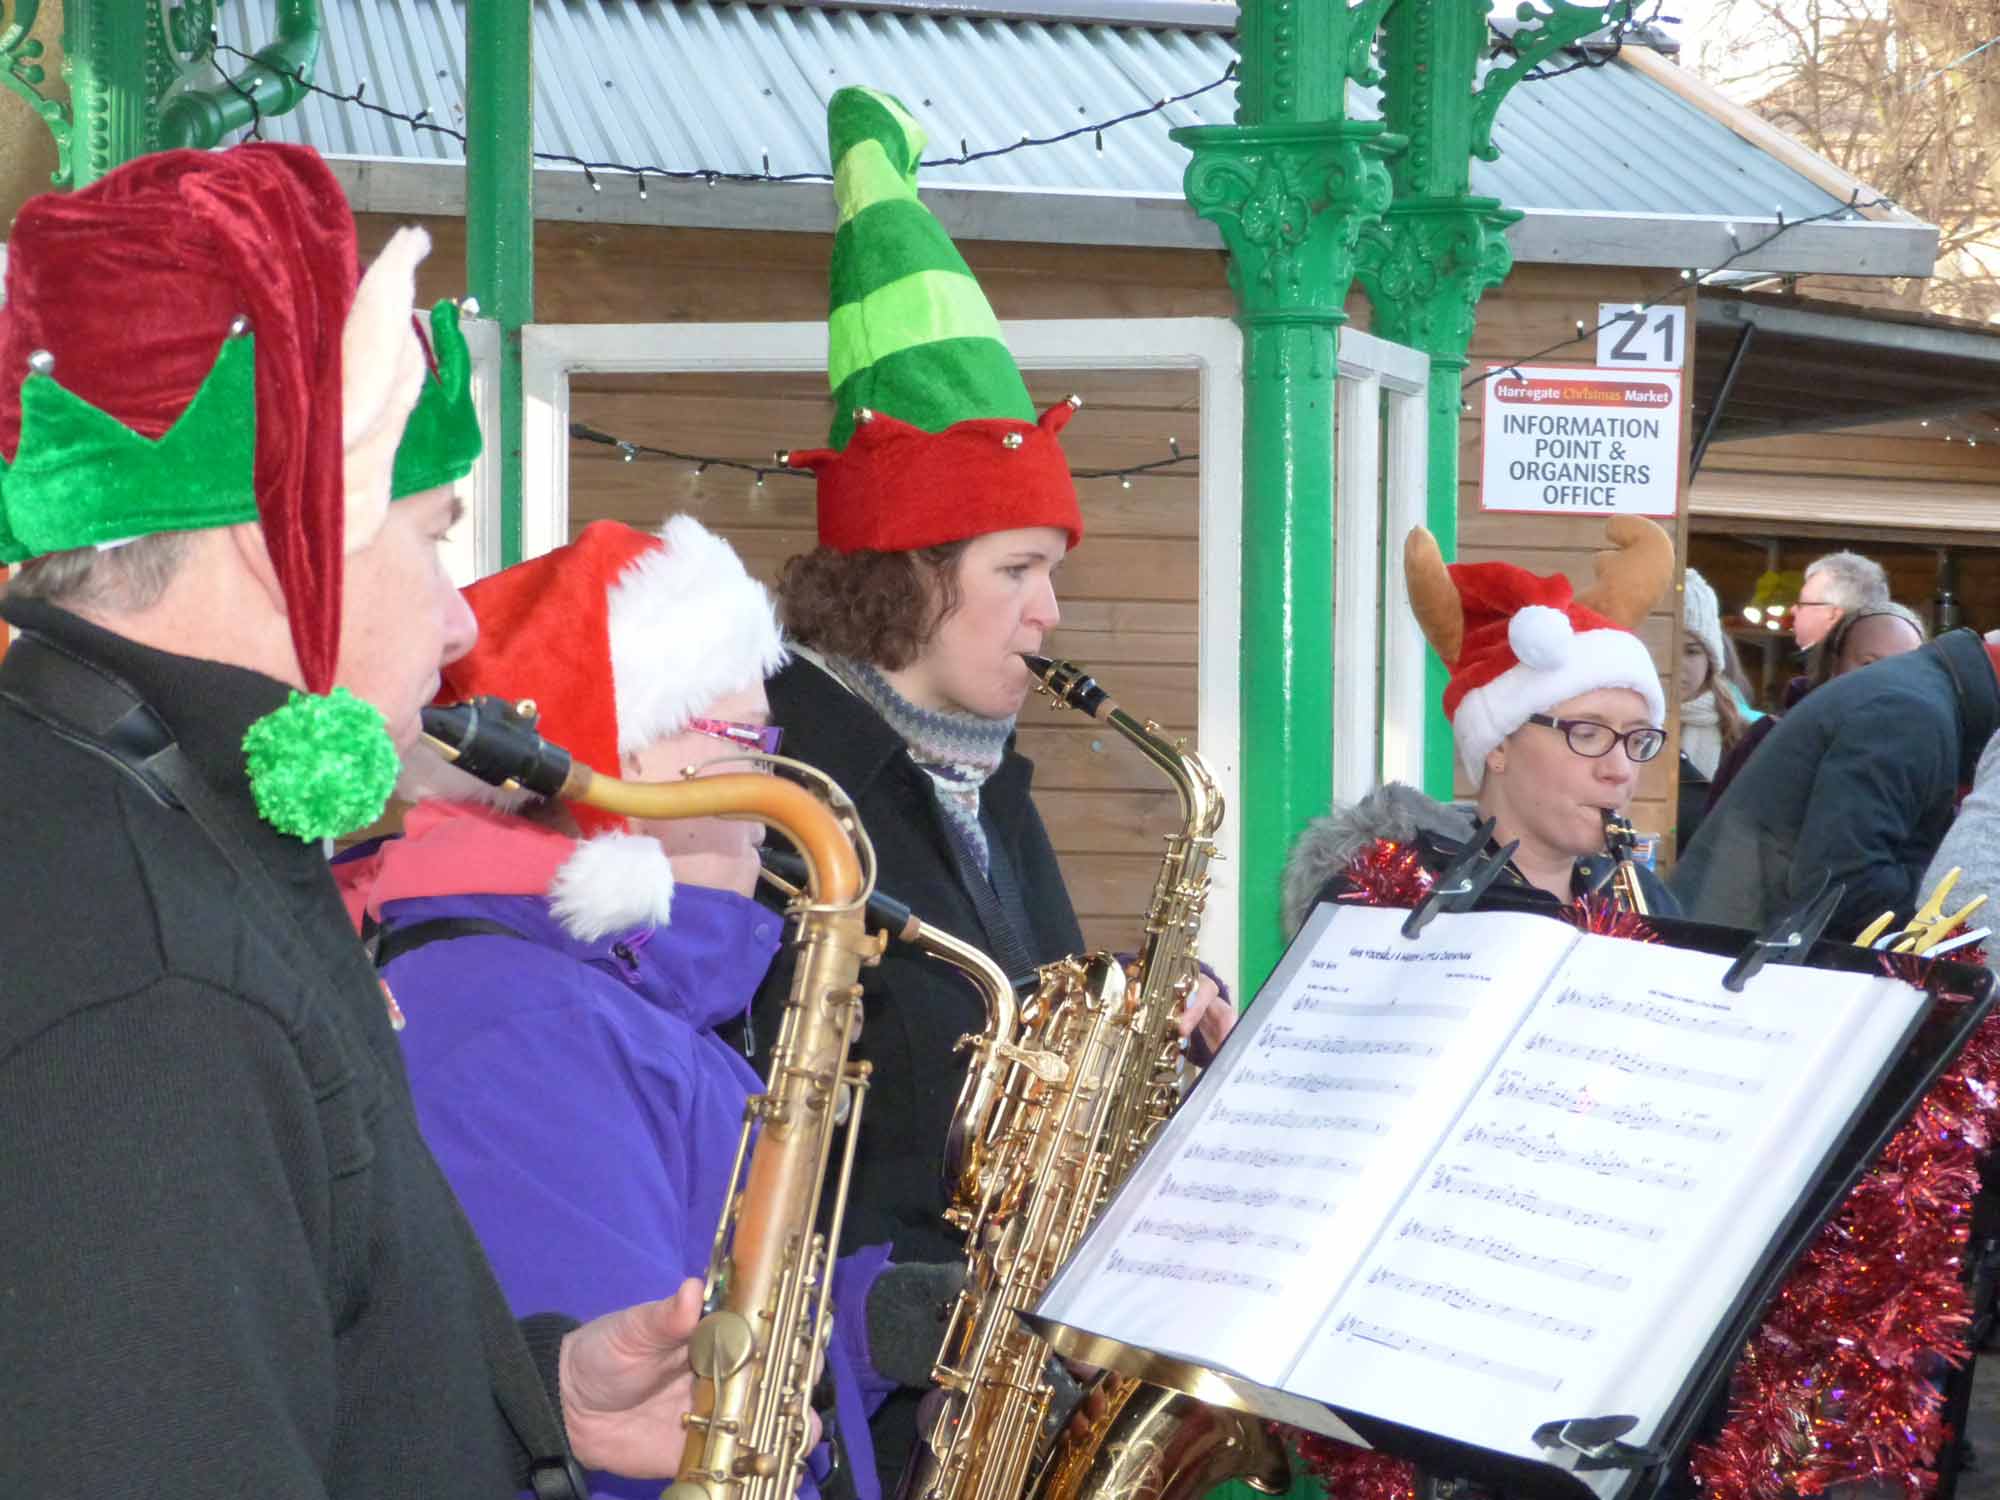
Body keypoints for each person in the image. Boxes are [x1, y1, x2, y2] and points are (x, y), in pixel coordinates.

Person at [0, 144, 698, 1495]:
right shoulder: (158, 986)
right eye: (434, 538)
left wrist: (535, 1397)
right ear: (286, 537)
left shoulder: (133, 811)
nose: (455, 621)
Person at [755, 85, 1233, 1491]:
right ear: (905, 570)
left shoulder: (987, 774)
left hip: (979, 1391)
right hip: (855, 1406)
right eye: (1018, 572)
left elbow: (1009, 1024)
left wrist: (1128, 1023)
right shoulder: (783, 791)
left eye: (1055, 571)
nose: (1049, 612)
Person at [342, 517, 955, 1500]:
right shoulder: (525, 1031)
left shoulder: (606, 1002)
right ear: (616, 765)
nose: (774, 787)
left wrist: (866, 1322)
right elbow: (626, 1421)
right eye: (747, 742)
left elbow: (686, 1301)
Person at [1284, 517, 1679, 933]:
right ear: (1498, 746)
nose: (1619, 770)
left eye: (1638, 739)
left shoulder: (1646, 899)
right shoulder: (1390, 891)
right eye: (1586, 733)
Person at [1669, 621, 2000, 938]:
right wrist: (1961, 894)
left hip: (1744, 950)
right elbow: (1845, 886)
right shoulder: (1909, 710)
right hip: (1734, 961)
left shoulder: (1920, 695)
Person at [1706, 600, 1928, 808]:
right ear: (1834, 665)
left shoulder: (1926, 758)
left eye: (1903, 668)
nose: (1885, 680)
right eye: (1868, 663)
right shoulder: (1770, 740)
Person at [1793, 548, 1891, 651]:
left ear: (1834, 615)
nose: (1793, 610)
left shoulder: (1828, 665)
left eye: (1801, 604)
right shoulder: (1887, 660)